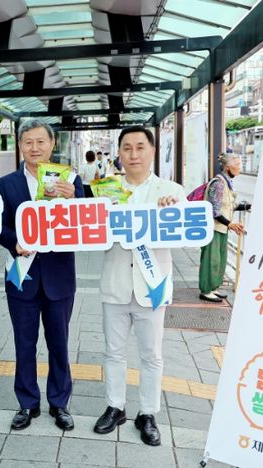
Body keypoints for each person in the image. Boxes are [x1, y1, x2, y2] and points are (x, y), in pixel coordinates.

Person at [93, 126, 185, 446]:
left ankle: (147, 413)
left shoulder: (171, 190)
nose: (134, 154)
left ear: (152, 151)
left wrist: (173, 212)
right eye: (127, 148)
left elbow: (184, 235)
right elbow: (94, 237)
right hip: (115, 283)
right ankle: (115, 407)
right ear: (119, 153)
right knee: (113, 352)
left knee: (152, 355)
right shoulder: (105, 190)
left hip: (153, 286)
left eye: (140, 147)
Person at [0, 119, 84, 431]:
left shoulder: (70, 179)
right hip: (23, 276)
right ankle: (27, 403)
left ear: (52, 144)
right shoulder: (7, 184)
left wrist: (74, 199)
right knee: (24, 344)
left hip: (59, 276)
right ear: (20, 146)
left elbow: (86, 222)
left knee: (59, 343)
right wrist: (14, 242)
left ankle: (59, 403)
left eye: (40, 142)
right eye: (28, 142)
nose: (34, 148)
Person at [198, 152, 251, 302]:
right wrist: (230, 224)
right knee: (211, 260)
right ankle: (206, 290)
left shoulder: (226, 183)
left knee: (220, 261)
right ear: (228, 167)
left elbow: (229, 205)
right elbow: (214, 210)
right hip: (213, 229)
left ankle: (213, 288)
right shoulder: (218, 183)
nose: (239, 168)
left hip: (221, 228)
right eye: (237, 165)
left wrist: (247, 206)